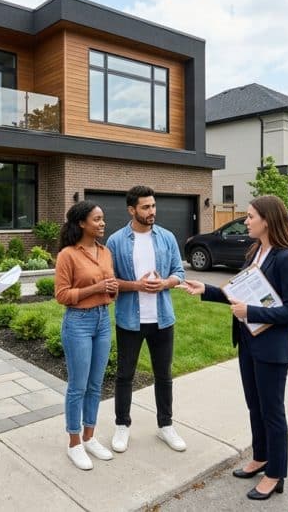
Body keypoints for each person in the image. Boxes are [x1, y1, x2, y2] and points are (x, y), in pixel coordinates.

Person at [181, 196, 288, 501]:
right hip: (248, 343)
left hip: (272, 349)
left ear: (267, 220)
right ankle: (260, 457)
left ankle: (275, 474)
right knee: (255, 406)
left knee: (272, 412)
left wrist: (251, 312)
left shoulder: (286, 258)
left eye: (250, 216)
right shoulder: (256, 251)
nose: (245, 221)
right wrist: (206, 290)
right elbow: (240, 292)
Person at [105, 186, 186, 454]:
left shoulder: (167, 237)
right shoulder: (116, 241)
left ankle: (166, 426)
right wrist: (136, 286)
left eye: (153, 206)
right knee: (124, 375)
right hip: (130, 319)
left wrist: (165, 283)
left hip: (162, 319)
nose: (152, 211)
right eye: (146, 207)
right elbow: (110, 281)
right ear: (132, 210)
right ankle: (122, 425)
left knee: (164, 375)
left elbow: (179, 272)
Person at [55, 200, 118, 471]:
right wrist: (96, 288)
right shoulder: (67, 255)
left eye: (102, 218)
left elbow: (109, 288)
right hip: (78, 322)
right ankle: (74, 443)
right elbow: (61, 295)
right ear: (82, 223)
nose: (102, 223)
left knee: (96, 384)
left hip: (103, 320)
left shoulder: (105, 252)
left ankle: (90, 437)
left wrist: (112, 290)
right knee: (78, 386)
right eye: (97, 219)